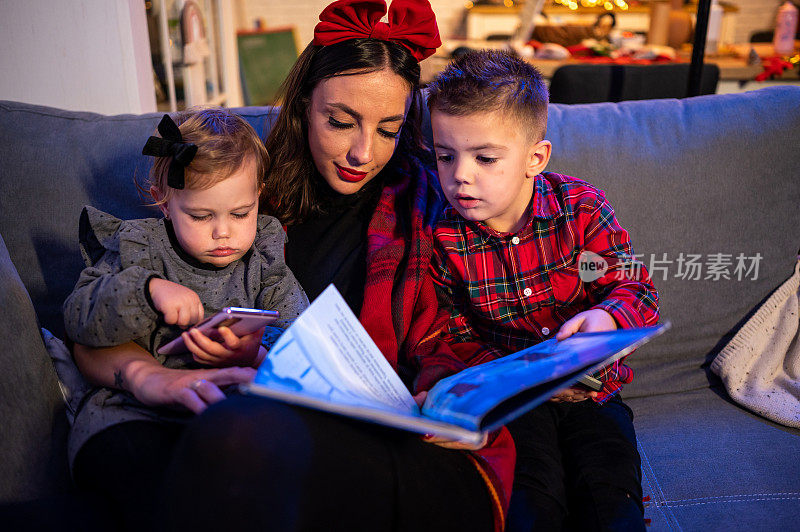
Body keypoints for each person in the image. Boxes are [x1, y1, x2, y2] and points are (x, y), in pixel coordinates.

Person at [68, 2, 515, 531]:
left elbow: (459, 333)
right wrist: (157, 370)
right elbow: (94, 325)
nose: (362, 153)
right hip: (254, 420)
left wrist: (441, 392)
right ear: (304, 105)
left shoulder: (429, 204)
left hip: (379, 428)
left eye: (389, 130)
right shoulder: (241, 198)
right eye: (340, 121)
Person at [426, 49, 659, 531]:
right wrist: (496, 376)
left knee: (610, 501)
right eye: (445, 156)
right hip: (515, 403)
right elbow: (450, 331)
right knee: (529, 504)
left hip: (593, 398)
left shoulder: (581, 209)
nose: (460, 175)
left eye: (485, 158)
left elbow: (635, 288)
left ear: (536, 158)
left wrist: (607, 319)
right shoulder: (444, 236)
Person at [63, 107, 308, 527]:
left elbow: (299, 334)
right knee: (133, 466)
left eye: (240, 213)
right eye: (201, 216)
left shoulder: (264, 260)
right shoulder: (138, 246)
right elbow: (79, 317)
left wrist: (254, 352)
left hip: (224, 411)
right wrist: (146, 290)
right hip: (132, 410)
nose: (223, 233)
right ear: (165, 200)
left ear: (258, 196)